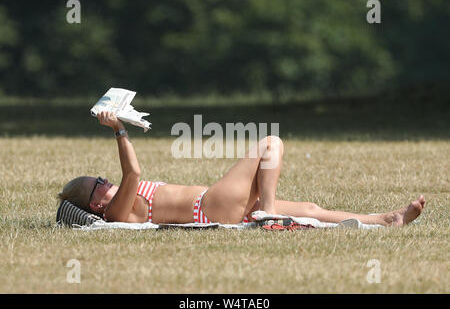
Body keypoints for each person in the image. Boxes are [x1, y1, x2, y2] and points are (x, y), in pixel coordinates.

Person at [58, 111, 425, 226]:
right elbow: (133, 173)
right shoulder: (120, 211)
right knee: (270, 143)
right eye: (99, 183)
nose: (107, 181)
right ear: (95, 205)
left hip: (218, 203)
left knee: (312, 210)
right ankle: (267, 213)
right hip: (211, 206)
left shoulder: (117, 203)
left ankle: (385, 219)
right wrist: (119, 130)